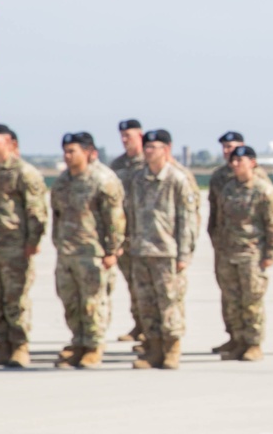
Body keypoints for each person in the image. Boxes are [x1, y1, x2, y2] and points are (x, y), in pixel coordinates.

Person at [0, 124, 49, 368]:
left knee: (16, 300)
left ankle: (20, 346)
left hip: (15, 247)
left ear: (11, 143)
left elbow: (36, 211)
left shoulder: (24, 172)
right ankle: (3, 344)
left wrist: (32, 242)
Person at [125, 128, 199, 369]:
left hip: (167, 252)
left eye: (153, 147)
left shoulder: (177, 179)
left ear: (166, 150)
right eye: (145, 146)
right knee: (147, 304)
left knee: (169, 304)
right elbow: (131, 215)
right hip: (141, 251)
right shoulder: (138, 179)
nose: (147, 151)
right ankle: (153, 348)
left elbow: (187, 220)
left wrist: (184, 255)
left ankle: (171, 349)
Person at [49, 132, 125, 368]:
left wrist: (113, 249)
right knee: (71, 302)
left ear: (88, 152)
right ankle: (78, 342)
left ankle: (94, 346)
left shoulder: (103, 180)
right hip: (67, 251)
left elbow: (114, 218)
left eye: (73, 151)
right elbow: (57, 214)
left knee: (93, 302)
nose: (68, 156)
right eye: (66, 151)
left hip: (93, 252)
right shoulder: (63, 181)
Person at [207, 143, 273, 360]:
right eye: (233, 160)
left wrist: (270, 254)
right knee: (232, 301)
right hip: (228, 254)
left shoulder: (263, 190)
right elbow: (219, 221)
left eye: (240, 159)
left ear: (252, 162)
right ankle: (238, 342)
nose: (235, 163)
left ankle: (253, 344)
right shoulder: (228, 189)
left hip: (252, 255)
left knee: (251, 302)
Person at [111, 118, 148, 350]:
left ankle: (150, 329)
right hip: (125, 235)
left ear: (140, 136)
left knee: (148, 285)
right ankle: (139, 325)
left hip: (147, 235)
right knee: (133, 284)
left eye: (130, 136)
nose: (125, 140)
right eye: (123, 136)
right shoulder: (118, 165)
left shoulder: (151, 161)